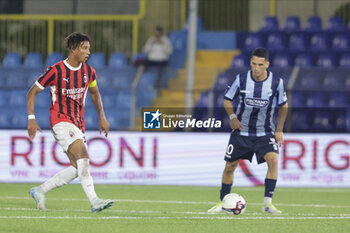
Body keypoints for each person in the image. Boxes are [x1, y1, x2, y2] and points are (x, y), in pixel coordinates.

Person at [26, 32, 114, 213]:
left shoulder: (89, 72)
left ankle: (40, 190)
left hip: (78, 124)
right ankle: (95, 201)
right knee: (83, 154)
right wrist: (31, 118)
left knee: (76, 168)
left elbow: (95, 93)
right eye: (84, 48)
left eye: (89, 48)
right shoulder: (55, 70)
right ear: (74, 49)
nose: (88, 52)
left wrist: (102, 116)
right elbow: (32, 92)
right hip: (60, 121)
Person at [208, 48, 288, 214]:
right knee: (230, 166)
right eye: (253, 64)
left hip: (264, 133)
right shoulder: (241, 79)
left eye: (260, 64)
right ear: (250, 62)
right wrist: (232, 118)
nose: (256, 68)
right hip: (241, 132)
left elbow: (284, 106)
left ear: (267, 64)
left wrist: (279, 130)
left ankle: (268, 203)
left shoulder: (276, 82)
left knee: (273, 160)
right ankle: (223, 202)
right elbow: (227, 99)